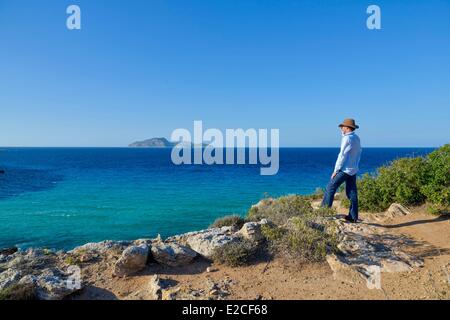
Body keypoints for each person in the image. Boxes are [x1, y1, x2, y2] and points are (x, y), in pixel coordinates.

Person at [322, 119, 362, 223]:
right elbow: (359, 153)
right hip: (353, 169)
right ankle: (353, 217)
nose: (341, 128)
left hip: (345, 169)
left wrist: (336, 170)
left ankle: (323, 213)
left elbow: (342, 155)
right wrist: (355, 166)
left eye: (342, 126)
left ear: (347, 128)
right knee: (352, 192)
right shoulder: (356, 138)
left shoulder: (347, 138)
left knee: (330, 187)